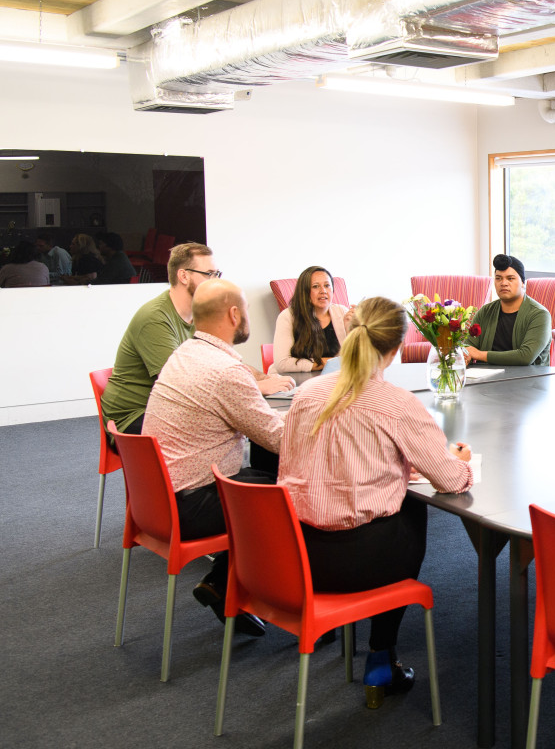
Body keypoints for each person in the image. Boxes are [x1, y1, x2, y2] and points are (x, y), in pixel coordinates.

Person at [279, 296, 474, 708]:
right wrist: (456, 460)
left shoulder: (306, 394)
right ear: (396, 349)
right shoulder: (397, 404)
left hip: (297, 558)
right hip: (361, 563)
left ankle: (372, 653)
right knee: (410, 503)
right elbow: (450, 480)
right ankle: (381, 652)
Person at [144, 279, 286, 637]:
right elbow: (279, 437)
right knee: (286, 494)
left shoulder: (186, 353)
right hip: (190, 505)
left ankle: (222, 582)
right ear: (234, 314)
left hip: (159, 500)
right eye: (248, 311)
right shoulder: (225, 371)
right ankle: (287, 596)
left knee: (263, 475)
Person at [102, 242, 292, 436]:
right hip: (133, 416)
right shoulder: (155, 318)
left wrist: (264, 378)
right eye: (208, 274)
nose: (214, 281)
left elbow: (225, 362)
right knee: (226, 422)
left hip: (168, 406)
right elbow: (182, 385)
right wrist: (256, 388)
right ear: (183, 276)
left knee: (242, 417)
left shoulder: (198, 314)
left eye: (217, 274)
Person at [463, 254, 551, 366]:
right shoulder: (485, 311)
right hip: (485, 378)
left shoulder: (539, 314)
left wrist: (480, 355)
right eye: (498, 278)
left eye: (510, 278)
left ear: (523, 282)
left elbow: (526, 356)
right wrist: (465, 356)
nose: (503, 283)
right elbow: (468, 347)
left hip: (527, 379)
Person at [271, 265, 353, 372]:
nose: (323, 290)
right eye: (315, 286)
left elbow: (354, 359)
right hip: (294, 381)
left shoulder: (342, 312)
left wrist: (351, 330)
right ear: (304, 292)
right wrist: (331, 363)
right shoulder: (288, 316)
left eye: (327, 285)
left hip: (332, 379)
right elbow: (282, 364)